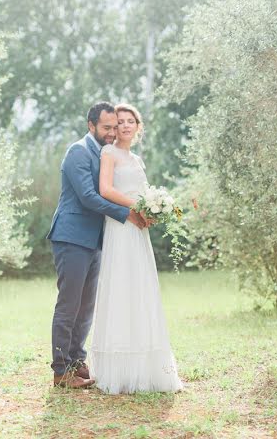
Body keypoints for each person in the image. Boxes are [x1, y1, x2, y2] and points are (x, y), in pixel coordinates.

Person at [47, 101, 149, 388]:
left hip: (94, 239)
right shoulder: (78, 152)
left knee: (86, 305)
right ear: (91, 125)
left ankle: (77, 360)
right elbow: (89, 197)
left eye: (114, 127)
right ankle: (60, 370)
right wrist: (128, 214)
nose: (111, 132)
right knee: (69, 304)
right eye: (106, 127)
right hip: (71, 237)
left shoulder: (105, 152)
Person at [90, 103, 183, 394]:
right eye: (120, 121)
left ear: (138, 127)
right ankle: (119, 371)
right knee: (121, 287)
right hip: (120, 228)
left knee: (141, 289)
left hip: (138, 231)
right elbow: (105, 190)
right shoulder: (109, 153)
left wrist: (152, 212)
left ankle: (149, 369)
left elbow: (142, 192)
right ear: (113, 128)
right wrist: (138, 206)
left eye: (131, 121)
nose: (126, 125)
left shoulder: (137, 159)